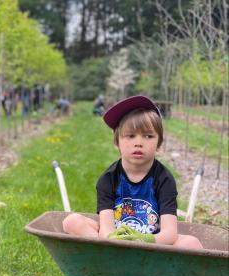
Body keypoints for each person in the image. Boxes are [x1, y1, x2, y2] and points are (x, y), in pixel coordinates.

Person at [63, 95, 203, 250]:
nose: (138, 143)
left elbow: (170, 234)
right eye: (130, 136)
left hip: (154, 244)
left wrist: (142, 239)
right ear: (117, 142)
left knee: (192, 243)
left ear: (159, 143)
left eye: (148, 136)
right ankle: (107, 258)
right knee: (71, 221)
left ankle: (150, 266)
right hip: (116, 241)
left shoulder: (164, 179)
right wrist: (116, 239)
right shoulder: (108, 179)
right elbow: (106, 230)